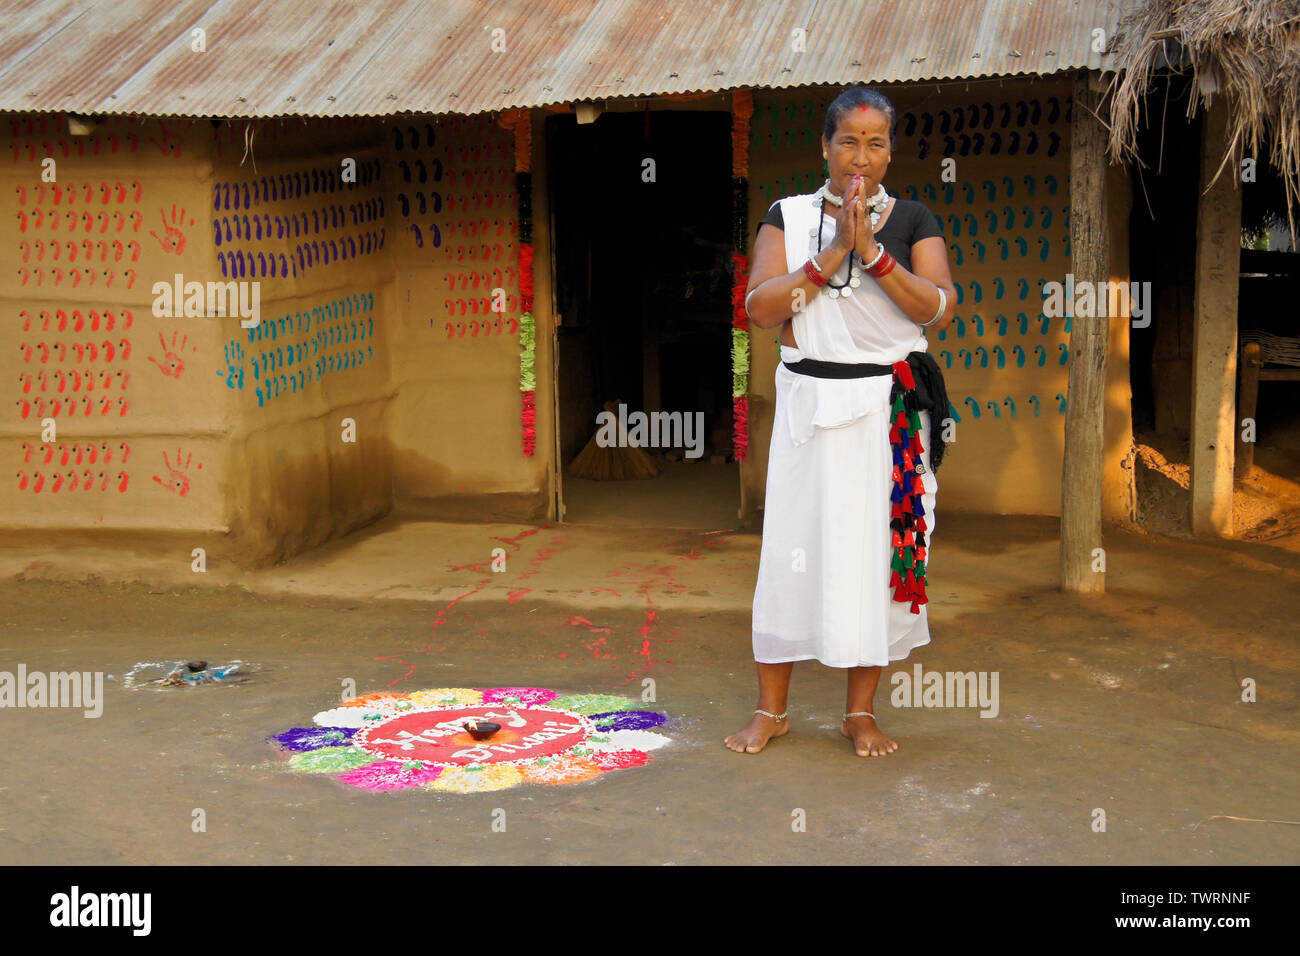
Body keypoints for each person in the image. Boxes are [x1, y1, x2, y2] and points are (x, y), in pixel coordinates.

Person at [725, 85, 957, 758]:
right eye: (848, 141)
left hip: (888, 419)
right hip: (810, 415)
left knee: (879, 561)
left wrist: (876, 252)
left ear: (890, 151)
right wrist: (833, 252)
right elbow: (765, 310)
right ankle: (771, 711)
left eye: (876, 142)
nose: (862, 155)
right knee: (791, 557)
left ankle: (860, 713)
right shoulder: (788, 217)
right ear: (825, 146)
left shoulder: (914, 218)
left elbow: (935, 309)